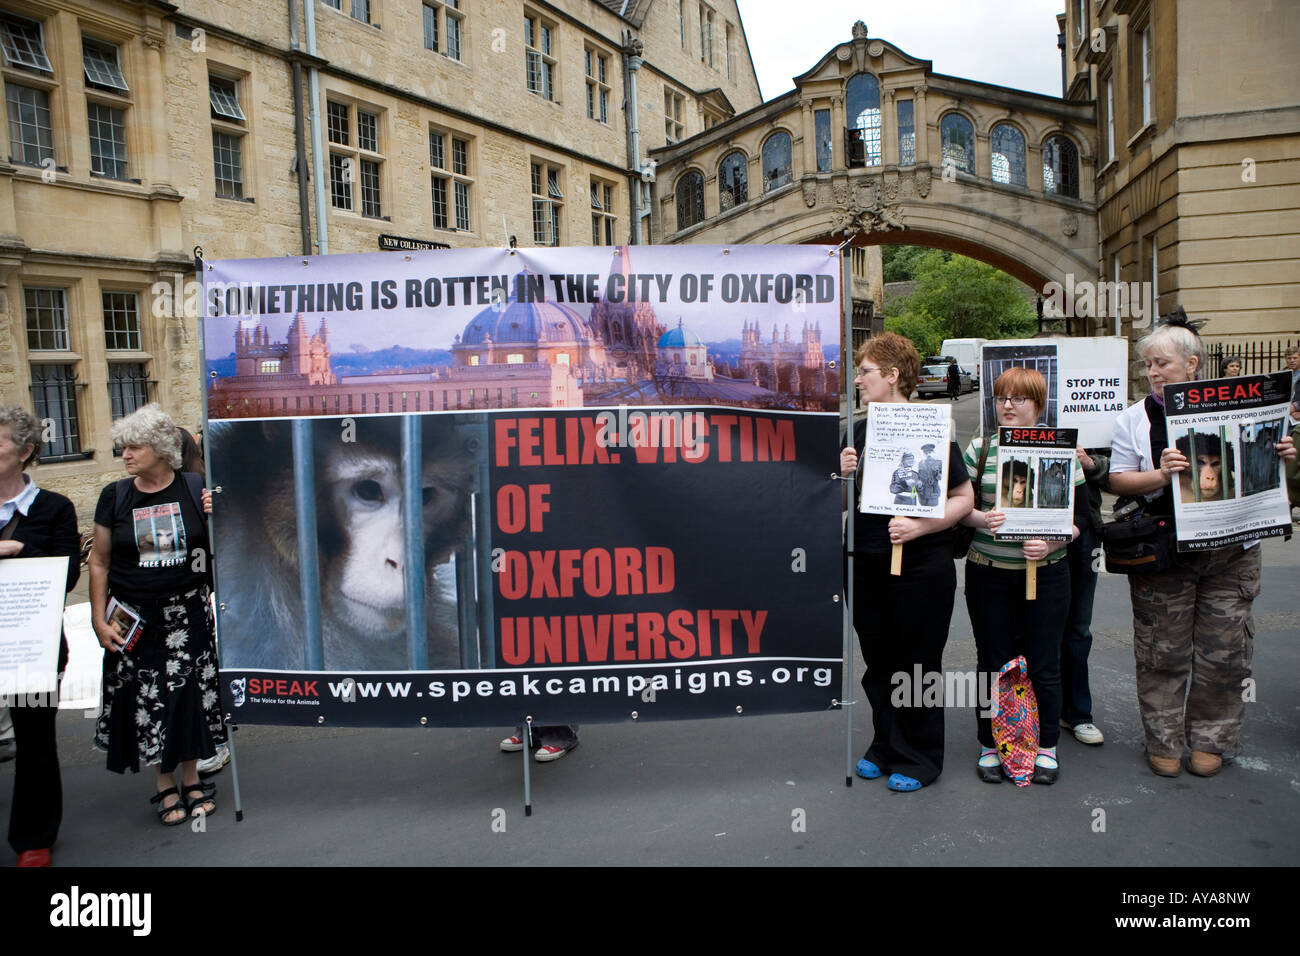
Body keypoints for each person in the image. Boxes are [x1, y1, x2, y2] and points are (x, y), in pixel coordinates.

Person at [1109, 317, 1296, 777]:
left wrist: (1287, 454)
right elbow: (1116, 479)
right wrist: (1158, 474)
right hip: (1165, 550)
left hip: (1232, 549)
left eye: (1162, 363)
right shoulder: (1134, 418)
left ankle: (1213, 739)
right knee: (1161, 651)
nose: (1152, 372)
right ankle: (1165, 741)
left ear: (1191, 364)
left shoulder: (1241, 408)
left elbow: (1271, 473)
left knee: (1225, 650)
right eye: (1148, 364)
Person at [840, 333, 974, 792]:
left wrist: (920, 527)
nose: (857, 379)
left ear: (893, 376)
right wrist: (843, 476)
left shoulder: (930, 425)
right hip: (866, 559)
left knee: (917, 662)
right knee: (879, 661)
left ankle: (919, 757)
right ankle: (885, 745)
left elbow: (963, 497)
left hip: (921, 564)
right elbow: (841, 499)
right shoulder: (856, 431)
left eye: (865, 372)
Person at [89, 404, 226, 823]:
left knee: (187, 699)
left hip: (186, 613)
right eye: (123, 448)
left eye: (135, 447)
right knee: (148, 700)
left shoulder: (195, 487)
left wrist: (217, 513)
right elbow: (99, 561)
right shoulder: (115, 496)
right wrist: (97, 618)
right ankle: (164, 784)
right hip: (134, 617)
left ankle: (191, 778)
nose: (126, 455)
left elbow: (224, 545)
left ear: (162, 449)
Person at [958, 367, 1088, 785]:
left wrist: (1053, 543)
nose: (1008, 406)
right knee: (991, 662)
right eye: (1001, 399)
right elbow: (962, 507)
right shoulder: (981, 447)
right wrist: (984, 518)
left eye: (1018, 399)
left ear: (1038, 404)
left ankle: (1045, 744)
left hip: (1046, 575)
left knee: (1044, 663)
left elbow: (1082, 518)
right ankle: (991, 743)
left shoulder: (1061, 448)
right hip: (988, 574)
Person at [0, 407, 80, 866]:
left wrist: (18, 548)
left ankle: (33, 837)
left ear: (25, 452)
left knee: (34, 743)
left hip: (35, 647)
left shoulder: (53, 509)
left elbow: (67, 574)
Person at [1061, 447, 1111, 746]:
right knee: (1028, 625)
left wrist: (1090, 462)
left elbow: (1115, 473)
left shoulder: (1097, 422)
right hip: (1027, 523)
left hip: (1083, 528)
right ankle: (1029, 708)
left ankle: (1078, 712)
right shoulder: (1013, 408)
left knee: (1078, 626)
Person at [1285, 346, 1300, 522]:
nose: (1292, 361)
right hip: (1287, 421)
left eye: (1295, 358)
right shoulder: (1284, 374)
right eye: (1289, 358)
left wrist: (1295, 407)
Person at [917, 443, 943, 507]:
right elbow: (919, 477)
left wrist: (936, 472)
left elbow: (940, 477)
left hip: (933, 491)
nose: (928, 454)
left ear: (933, 452)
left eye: (930, 452)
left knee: (932, 509)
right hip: (923, 492)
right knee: (922, 509)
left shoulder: (938, 463)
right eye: (926, 453)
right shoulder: (920, 463)